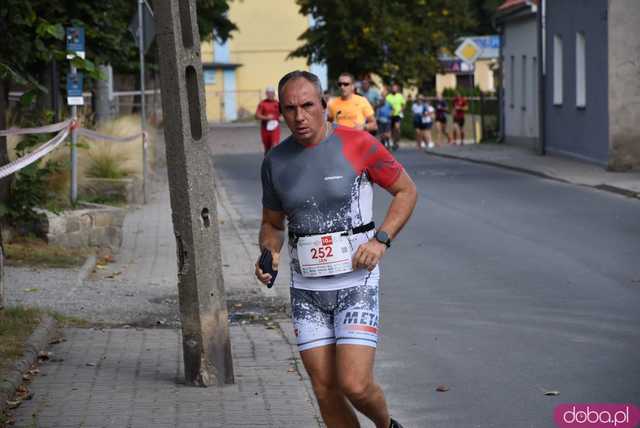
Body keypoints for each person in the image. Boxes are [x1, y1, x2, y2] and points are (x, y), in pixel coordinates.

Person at [256, 70, 417, 428]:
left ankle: (387, 425)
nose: (299, 117)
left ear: (324, 105)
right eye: (290, 109)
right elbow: (272, 224)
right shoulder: (276, 162)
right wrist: (269, 253)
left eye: (307, 105)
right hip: (307, 291)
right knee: (325, 390)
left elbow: (407, 191)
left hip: (356, 285)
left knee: (355, 385)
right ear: (280, 112)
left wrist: (381, 240)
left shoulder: (358, 144)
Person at [255, 86, 281, 153]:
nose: (270, 95)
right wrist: (266, 118)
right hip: (265, 129)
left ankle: (275, 162)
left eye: (272, 93)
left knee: (275, 145)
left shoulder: (278, 103)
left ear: (274, 94)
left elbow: (284, 112)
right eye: (269, 93)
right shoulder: (262, 103)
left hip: (275, 128)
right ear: (266, 94)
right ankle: (267, 161)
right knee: (267, 148)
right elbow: (257, 116)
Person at [385, 83, 406, 148]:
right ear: (391, 89)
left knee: (397, 128)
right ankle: (391, 141)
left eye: (395, 88)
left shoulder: (400, 96)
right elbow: (386, 106)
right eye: (393, 88)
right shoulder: (388, 97)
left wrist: (401, 110)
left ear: (397, 89)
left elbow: (403, 105)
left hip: (397, 114)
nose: (394, 89)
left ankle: (396, 141)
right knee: (390, 129)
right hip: (390, 115)